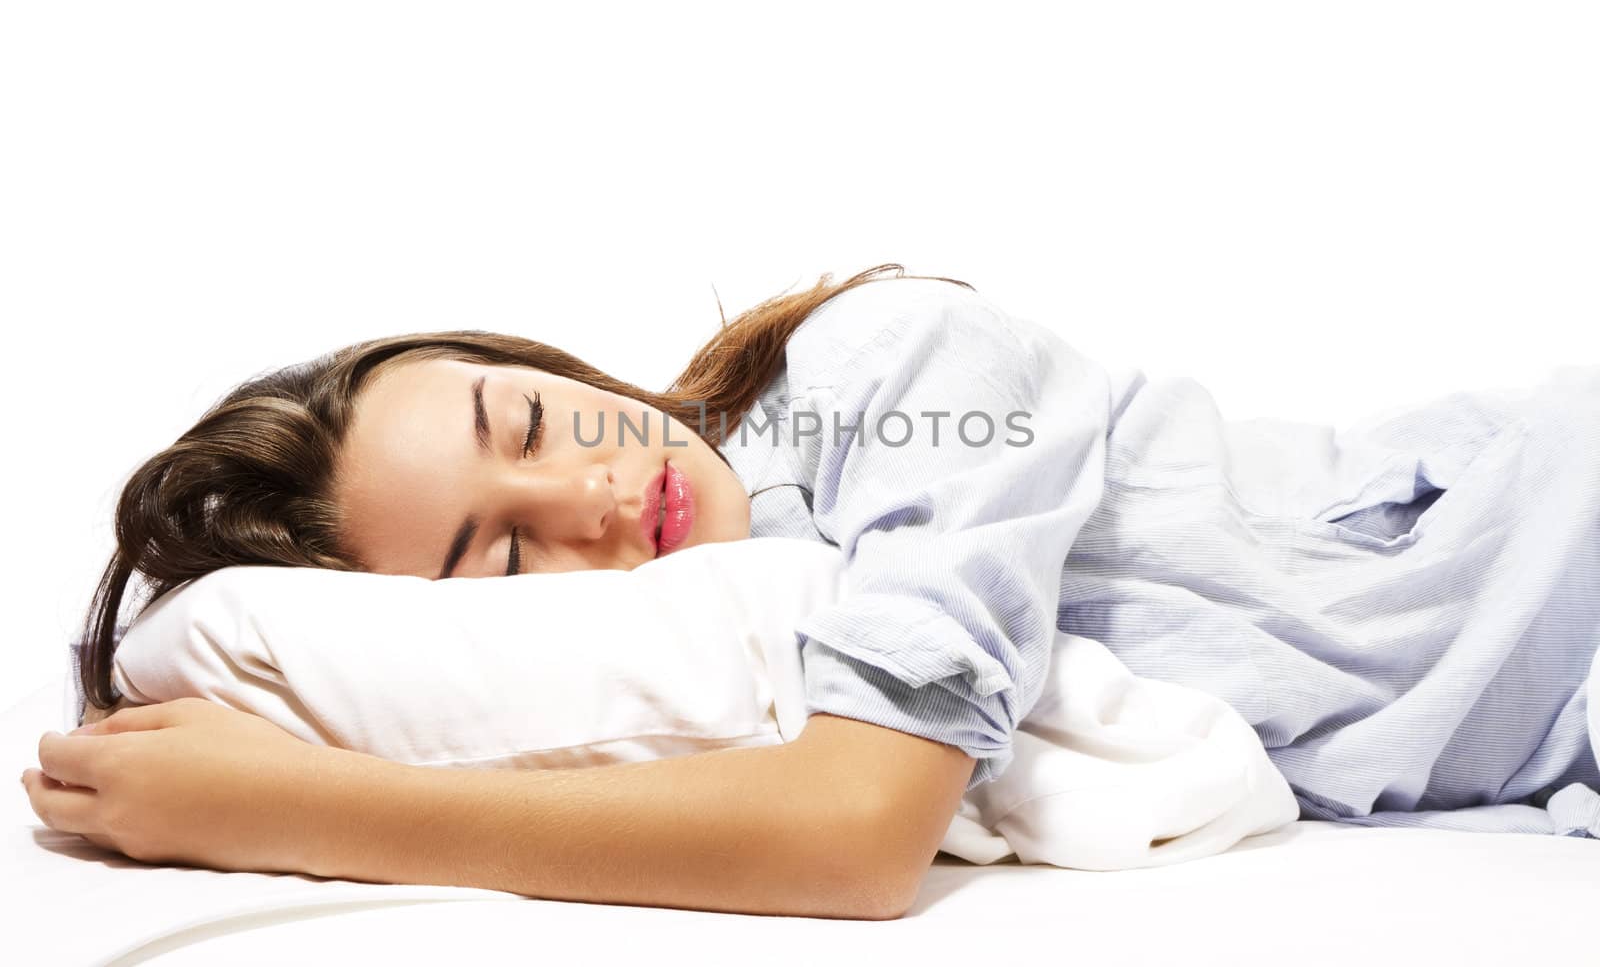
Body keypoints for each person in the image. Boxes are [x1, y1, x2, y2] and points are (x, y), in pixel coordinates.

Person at [22, 264, 1600, 919]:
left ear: (534, 361)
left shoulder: (895, 367)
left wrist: (296, 809)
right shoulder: (734, 635)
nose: (586, 492)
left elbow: (856, 829)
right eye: (500, 555)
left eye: (522, 420)